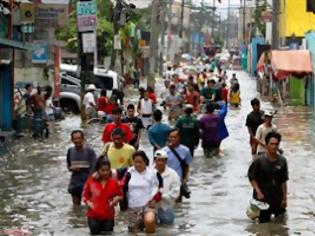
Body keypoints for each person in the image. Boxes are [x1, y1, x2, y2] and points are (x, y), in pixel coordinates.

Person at [248, 131, 288, 223]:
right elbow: (252, 177)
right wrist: (258, 191)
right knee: (264, 226)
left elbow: (284, 181)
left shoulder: (282, 161)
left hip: (278, 199)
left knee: (281, 224)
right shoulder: (259, 161)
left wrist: (285, 198)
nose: (274, 146)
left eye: (276, 144)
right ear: (266, 145)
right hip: (262, 200)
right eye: (271, 144)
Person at [83, 157, 123, 235]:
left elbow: (121, 195)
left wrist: (117, 198)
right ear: (98, 170)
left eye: (107, 170)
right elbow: (85, 196)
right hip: (93, 216)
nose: (105, 173)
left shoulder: (114, 183)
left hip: (108, 216)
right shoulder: (91, 181)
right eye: (102, 170)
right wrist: (89, 204)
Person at [123, 151, 161, 233]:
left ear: (145, 161)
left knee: (150, 221)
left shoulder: (152, 173)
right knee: (134, 232)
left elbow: (159, 188)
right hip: (133, 207)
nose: (137, 164)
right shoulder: (129, 173)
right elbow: (122, 186)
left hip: (147, 205)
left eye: (140, 162)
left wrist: (155, 199)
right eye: (135, 162)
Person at [67, 130, 97, 205]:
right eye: (75, 139)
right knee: (76, 207)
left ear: (83, 139)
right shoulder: (70, 151)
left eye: (79, 138)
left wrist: (90, 183)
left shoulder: (89, 151)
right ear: (72, 140)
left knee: (90, 206)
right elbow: (68, 165)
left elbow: (94, 167)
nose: (77, 141)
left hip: (88, 182)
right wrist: (71, 168)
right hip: (75, 183)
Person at [162, 129, 193, 200]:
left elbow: (187, 165)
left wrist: (185, 179)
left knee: (178, 203)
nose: (172, 139)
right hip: (166, 180)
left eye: (175, 137)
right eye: (171, 137)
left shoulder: (185, 150)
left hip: (178, 181)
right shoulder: (164, 151)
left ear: (179, 137)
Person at [154, 150, 180, 225]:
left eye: (162, 160)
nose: (160, 163)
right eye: (158, 160)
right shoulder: (149, 172)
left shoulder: (173, 174)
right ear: (155, 160)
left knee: (167, 230)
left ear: (166, 161)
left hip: (166, 207)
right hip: (152, 208)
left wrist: (161, 197)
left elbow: (176, 192)